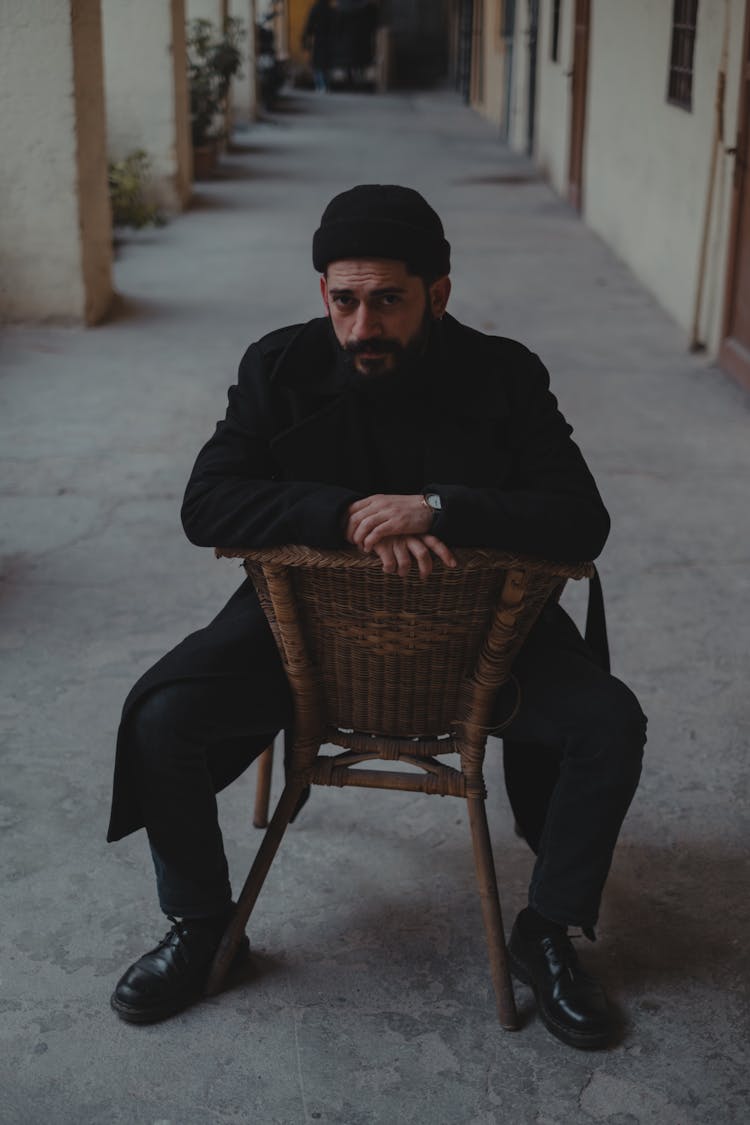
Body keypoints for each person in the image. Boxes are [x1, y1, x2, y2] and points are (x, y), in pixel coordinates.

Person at [108, 185, 646, 1048]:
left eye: (388, 300)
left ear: (438, 293)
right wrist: (347, 513)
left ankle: (547, 928)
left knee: (609, 723)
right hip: (300, 643)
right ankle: (205, 924)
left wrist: (439, 505)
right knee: (161, 715)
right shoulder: (277, 363)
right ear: (323, 291)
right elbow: (206, 505)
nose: (362, 325)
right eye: (343, 300)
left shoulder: (505, 372)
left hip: (487, 644)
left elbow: (583, 518)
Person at [303, 0, 338, 92]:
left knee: (317, 64)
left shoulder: (315, 8)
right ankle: (326, 85)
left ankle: (320, 86)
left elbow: (309, 25)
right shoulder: (331, 9)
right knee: (327, 64)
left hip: (319, 39)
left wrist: (307, 36)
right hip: (330, 39)